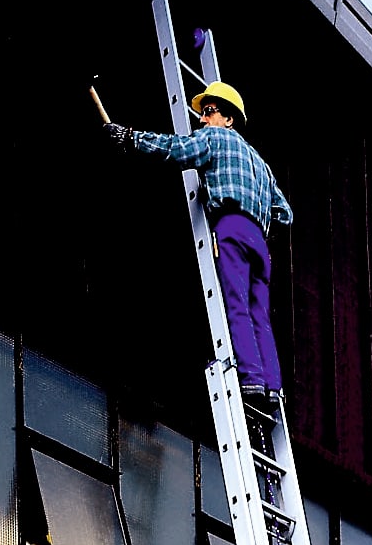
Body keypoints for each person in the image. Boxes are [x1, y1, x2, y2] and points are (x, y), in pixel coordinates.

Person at [103, 81, 292, 414]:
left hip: (231, 227)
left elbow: (175, 148)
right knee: (259, 316)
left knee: (236, 305)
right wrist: (260, 218)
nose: (203, 119)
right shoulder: (261, 164)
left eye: (210, 111)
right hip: (259, 244)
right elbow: (285, 214)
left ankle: (251, 379)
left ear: (229, 119)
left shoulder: (214, 138)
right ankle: (272, 388)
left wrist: (130, 137)